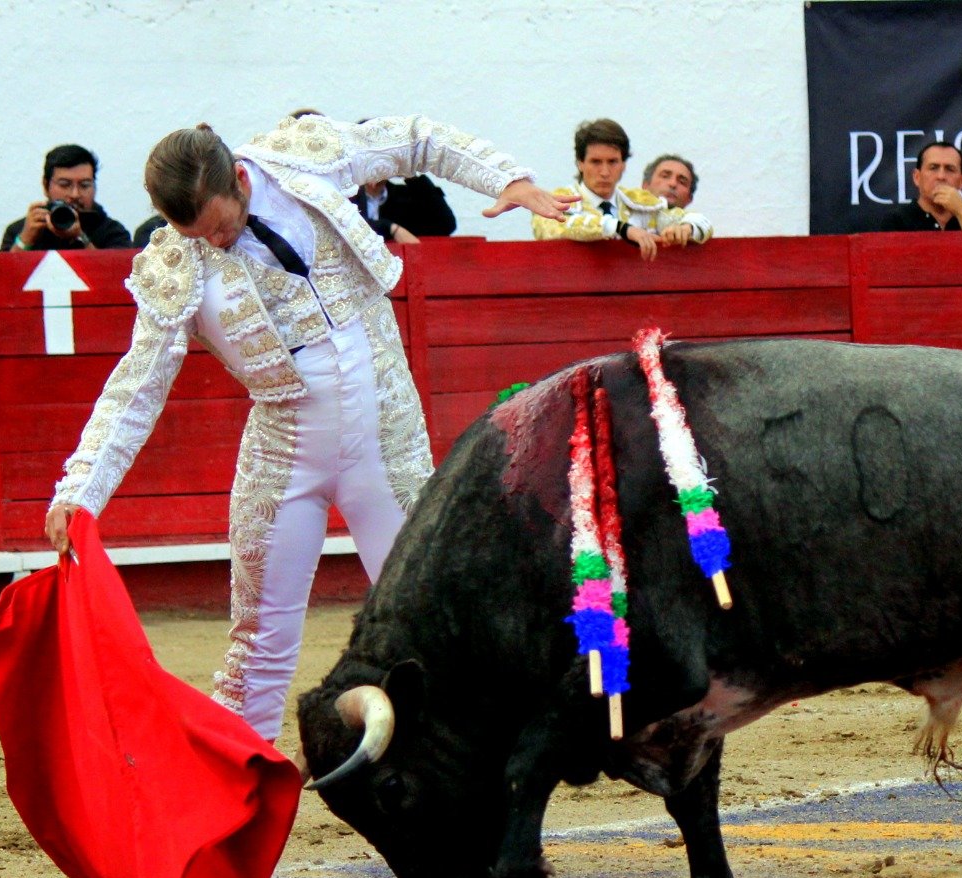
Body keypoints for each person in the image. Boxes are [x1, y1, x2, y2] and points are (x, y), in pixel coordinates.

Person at [42, 113, 575, 740]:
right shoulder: (176, 263)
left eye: (220, 226)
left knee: (438, 619)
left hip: (385, 436)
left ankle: (477, 771)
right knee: (258, 642)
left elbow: (415, 139)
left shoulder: (300, 156)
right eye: (196, 235)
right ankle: (240, 792)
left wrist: (506, 179)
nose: (214, 244)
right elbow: (137, 386)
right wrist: (80, 490)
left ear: (241, 180)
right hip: (284, 452)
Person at [531, 118, 707, 260]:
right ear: (580, 163)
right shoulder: (556, 201)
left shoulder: (639, 202)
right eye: (596, 162)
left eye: (612, 162)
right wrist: (621, 228)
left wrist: (686, 228)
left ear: (623, 165)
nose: (605, 172)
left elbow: (699, 221)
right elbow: (550, 228)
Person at [0, 144, 135, 252]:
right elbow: (2, 275)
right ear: (46, 186)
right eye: (65, 185)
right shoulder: (20, 230)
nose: (75, 194)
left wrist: (80, 237)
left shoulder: (113, 232)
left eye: (84, 185)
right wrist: (25, 240)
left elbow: (114, 273)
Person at [880, 141, 962, 232]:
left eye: (950, 169)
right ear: (917, 177)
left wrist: (961, 212)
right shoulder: (896, 222)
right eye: (933, 168)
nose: (941, 176)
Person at [352, 174, 457, 243]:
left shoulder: (403, 196)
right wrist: (389, 227)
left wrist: (409, 175)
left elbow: (446, 225)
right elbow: (352, 228)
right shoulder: (348, 195)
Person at [642, 153, 713, 242]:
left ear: (689, 198)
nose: (673, 184)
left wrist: (687, 228)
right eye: (665, 176)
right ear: (645, 185)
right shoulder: (627, 212)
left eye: (682, 182)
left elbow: (703, 223)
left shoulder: (687, 219)